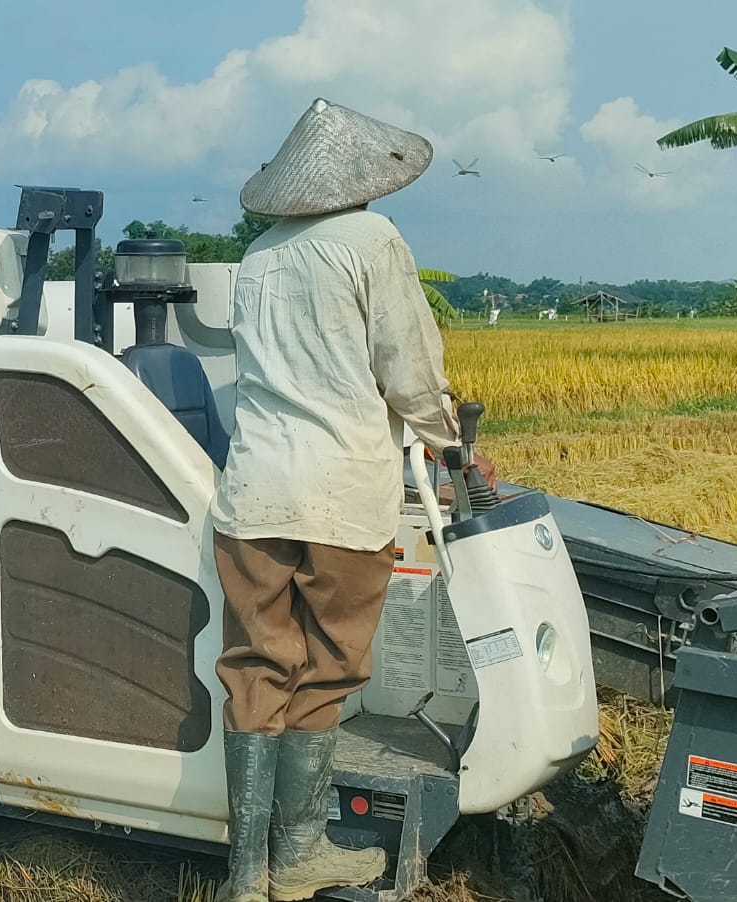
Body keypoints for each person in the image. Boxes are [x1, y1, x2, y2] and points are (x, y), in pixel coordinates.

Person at [209, 99, 496, 902]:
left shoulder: (259, 255)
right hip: (339, 493)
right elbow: (406, 363)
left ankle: (244, 874)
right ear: (367, 180)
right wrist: (449, 440)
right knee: (328, 670)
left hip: (252, 494)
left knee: (255, 666)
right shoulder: (372, 241)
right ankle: (298, 854)